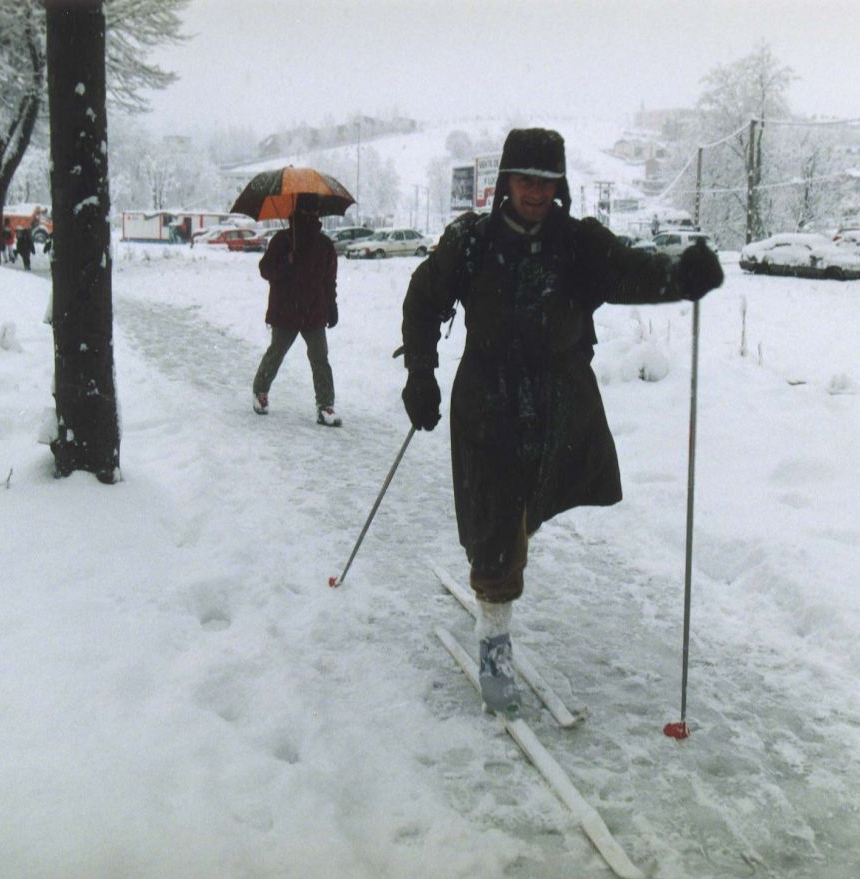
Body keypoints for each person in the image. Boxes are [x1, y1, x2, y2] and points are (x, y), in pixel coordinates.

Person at [399, 127, 724, 715]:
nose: (535, 193)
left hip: (557, 402)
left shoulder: (578, 245)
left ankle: (501, 563)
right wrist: (421, 372)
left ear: (559, 187)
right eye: (525, 180)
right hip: (488, 402)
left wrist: (681, 276)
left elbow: (631, 272)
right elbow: (423, 300)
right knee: (495, 527)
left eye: (546, 183)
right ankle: (494, 642)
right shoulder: (470, 242)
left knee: (522, 514)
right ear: (506, 183)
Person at [252, 208, 342, 426]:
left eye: (312, 212)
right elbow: (265, 269)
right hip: (286, 310)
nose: (310, 217)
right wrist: (286, 261)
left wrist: (332, 307)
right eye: (305, 212)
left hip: (314, 311)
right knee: (277, 353)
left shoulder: (324, 245)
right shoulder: (283, 240)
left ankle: (325, 405)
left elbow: (329, 280)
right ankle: (260, 391)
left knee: (320, 358)